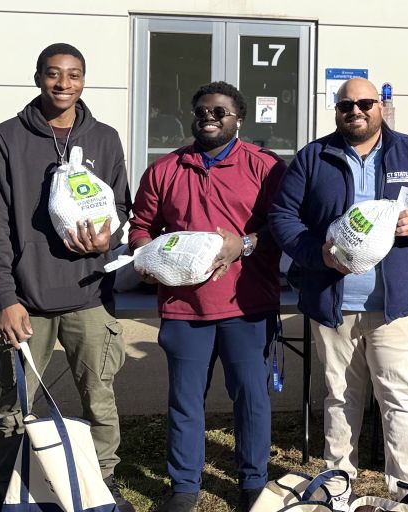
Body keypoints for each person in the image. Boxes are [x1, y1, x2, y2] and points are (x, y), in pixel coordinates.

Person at [268, 78, 408, 507]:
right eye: (346, 105)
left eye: (365, 103)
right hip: (334, 305)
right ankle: (338, 484)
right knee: (340, 397)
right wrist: (316, 253)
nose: (355, 111)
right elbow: (282, 216)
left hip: (398, 308)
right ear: (337, 110)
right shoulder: (314, 156)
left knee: (399, 398)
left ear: (380, 107)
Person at [0, 43, 133, 512]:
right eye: (53, 73)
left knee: (99, 399)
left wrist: (108, 238)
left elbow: (120, 205)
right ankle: (6, 490)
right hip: (27, 300)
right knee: (14, 406)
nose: (64, 83)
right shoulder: (6, 138)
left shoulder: (104, 138)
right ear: (38, 78)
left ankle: (101, 484)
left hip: (90, 296)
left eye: (74, 74)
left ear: (84, 80)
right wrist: (5, 297)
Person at [129, 81, 287, 512]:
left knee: (251, 398)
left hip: (247, 304)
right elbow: (142, 226)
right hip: (184, 308)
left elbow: (284, 226)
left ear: (239, 119)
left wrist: (246, 243)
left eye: (219, 112)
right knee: (185, 400)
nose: (209, 118)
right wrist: (145, 256)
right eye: (201, 111)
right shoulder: (165, 169)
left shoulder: (265, 167)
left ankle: (253, 482)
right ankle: (184, 486)